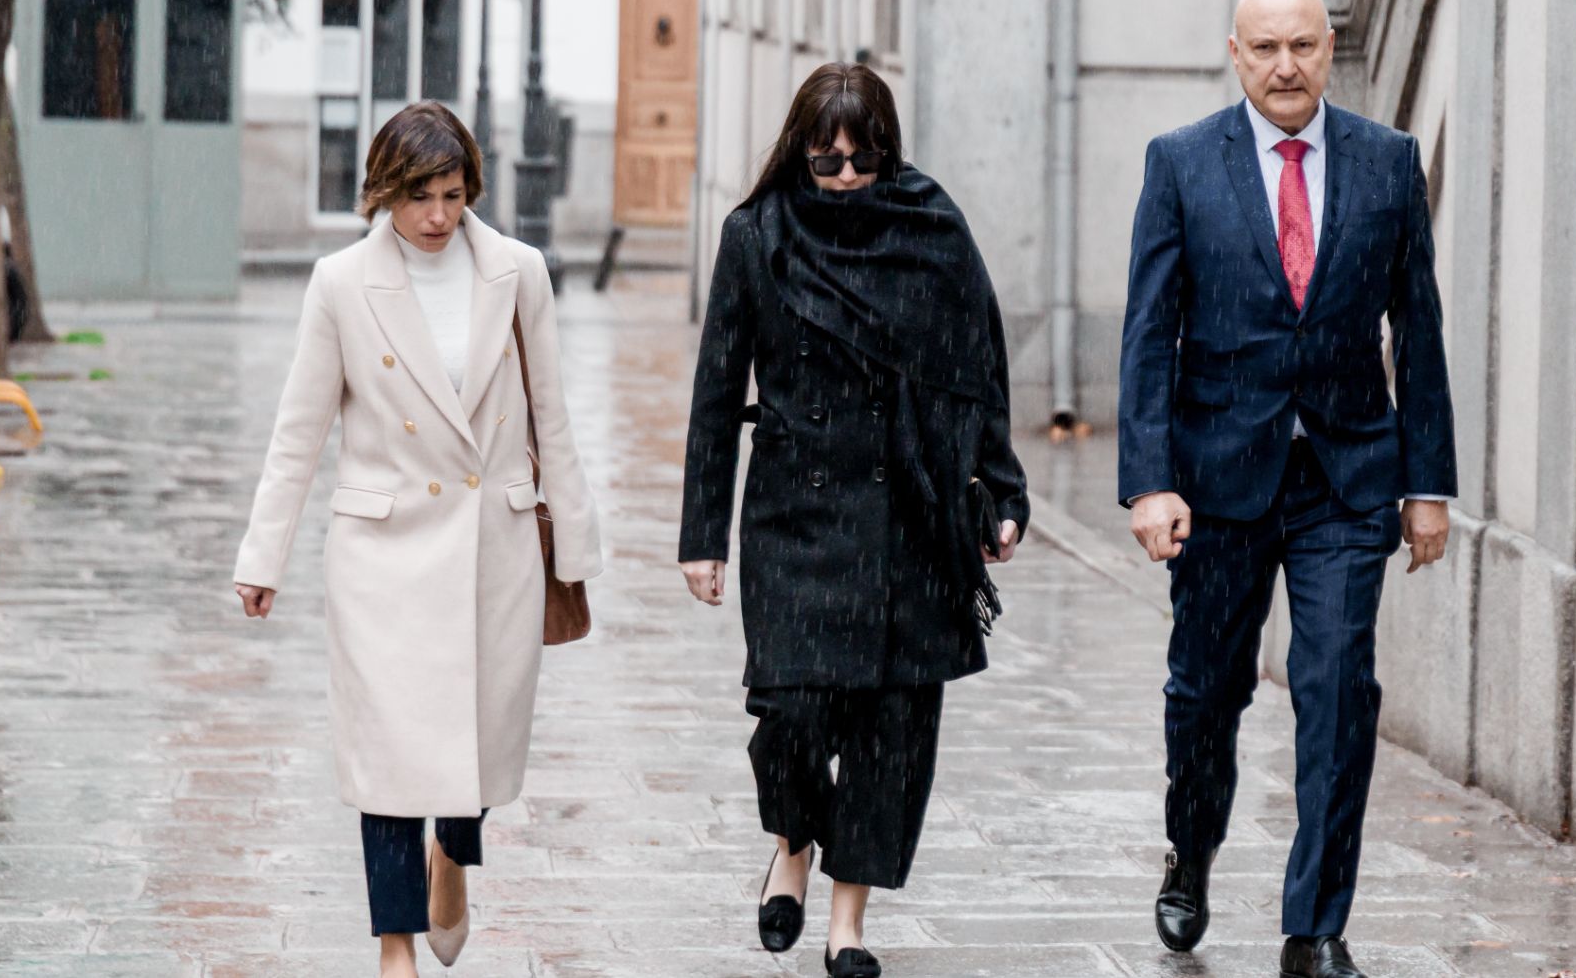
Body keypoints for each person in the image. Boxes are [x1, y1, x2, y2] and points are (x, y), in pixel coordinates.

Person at [1118, 0, 1457, 978]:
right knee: (1206, 692)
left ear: (1328, 45)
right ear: (1235, 53)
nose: (1285, 66)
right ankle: (1193, 845)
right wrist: (1150, 479)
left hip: (1348, 474)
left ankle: (1315, 927)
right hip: (1217, 479)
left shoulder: (1388, 163)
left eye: (1302, 45)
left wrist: (1426, 479)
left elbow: (1421, 331)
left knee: (1339, 687)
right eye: (1264, 47)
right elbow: (1148, 334)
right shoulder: (1182, 163)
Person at [231, 101, 602, 978]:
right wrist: (262, 555)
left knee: (470, 743)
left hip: (492, 550)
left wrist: (575, 546)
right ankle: (395, 948)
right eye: (419, 196)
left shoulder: (519, 271)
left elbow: (552, 411)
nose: (438, 215)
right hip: (385, 555)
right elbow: (300, 429)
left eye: (453, 192)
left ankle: (453, 857)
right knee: (389, 760)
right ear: (382, 193)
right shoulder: (340, 283)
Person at [679, 62, 1029, 978]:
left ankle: (848, 923)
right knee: (793, 711)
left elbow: (977, 369)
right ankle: (793, 841)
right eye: (825, 161)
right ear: (798, 153)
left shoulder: (934, 232)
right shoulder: (756, 236)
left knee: (890, 729)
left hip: (912, 511)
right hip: (795, 512)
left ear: (888, 151)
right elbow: (718, 394)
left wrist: (1002, 490)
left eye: (861, 160)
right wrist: (701, 535)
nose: (843, 178)